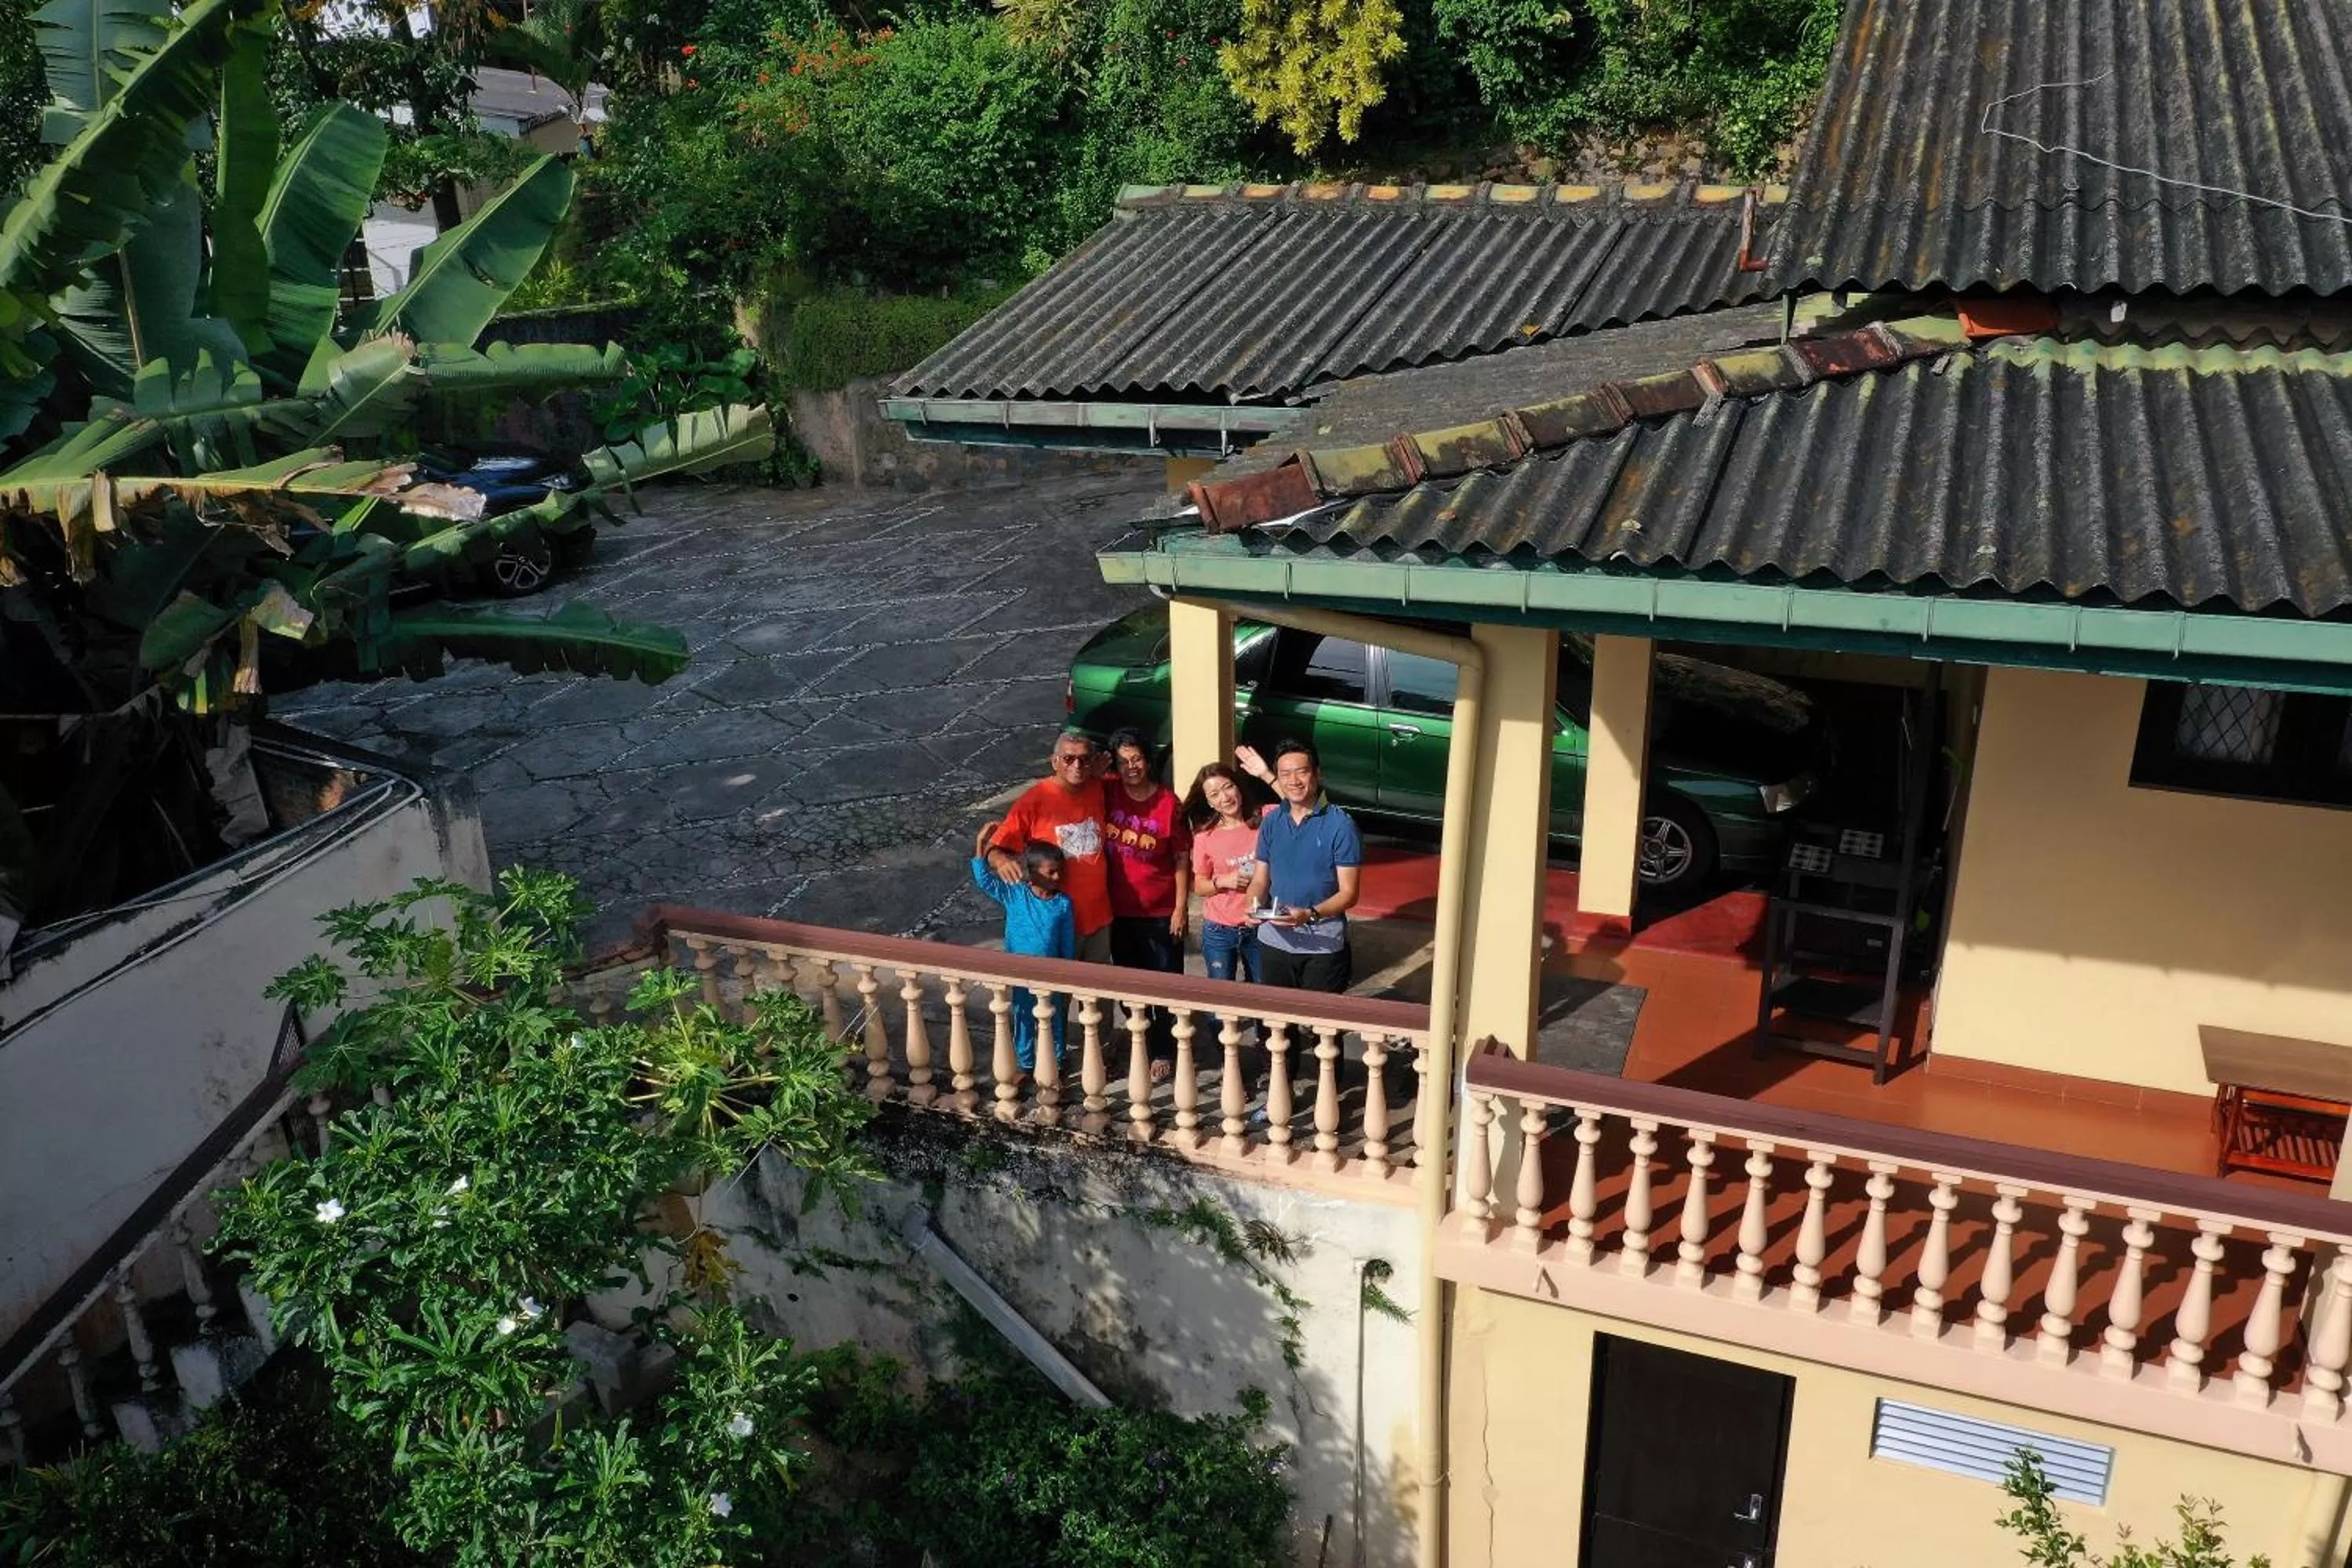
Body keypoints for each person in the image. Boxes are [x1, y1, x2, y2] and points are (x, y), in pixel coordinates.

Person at [1102, 728, 1192, 1080]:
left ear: (1148, 760)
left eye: (1137, 758)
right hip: (1118, 911)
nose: (1131, 767)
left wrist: (1181, 908)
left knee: (1166, 984)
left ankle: (1164, 1048)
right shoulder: (1108, 790)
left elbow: (1181, 858)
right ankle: (1141, 1036)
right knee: (1128, 984)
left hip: (1160, 912)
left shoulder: (1169, 803)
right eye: (1123, 761)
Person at [1242, 739, 1362, 993]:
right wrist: (1252, 905)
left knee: (1318, 1019)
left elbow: (1349, 893)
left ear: (1317, 774)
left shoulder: (1341, 825)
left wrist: (1310, 914)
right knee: (1276, 1017)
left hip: (1323, 947)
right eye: (1285, 774)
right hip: (1273, 943)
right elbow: (1260, 879)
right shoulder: (1272, 821)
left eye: (1302, 772)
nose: (1294, 781)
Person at [985, 731, 1112, 963]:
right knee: (1058, 985)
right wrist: (1001, 861)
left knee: (1099, 985)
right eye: (1068, 759)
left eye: (1084, 759)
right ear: (1054, 762)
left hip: (1099, 917)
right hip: (1055, 922)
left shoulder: (1096, 787)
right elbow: (994, 848)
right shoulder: (1034, 800)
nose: (1077, 765)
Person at [969, 826, 1074, 1077]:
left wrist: (1068, 972)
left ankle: (1057, 1062)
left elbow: (1067, 942)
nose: (1058, 876)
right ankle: (1025, 1064)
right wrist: (981, 842)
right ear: (1032, 873)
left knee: (1054, 1020)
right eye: (1051, 872)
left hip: (1051, 975)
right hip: (1020, 973)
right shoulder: (1015, 894)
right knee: (1023, 1017)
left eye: (1060, 871)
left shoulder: (1063, 903)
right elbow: (984, 880)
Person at [1185, 760, 1267, 985]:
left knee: (1263, 993)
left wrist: (1266, 775)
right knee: (1221, 996)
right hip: (1219, 929)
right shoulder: (1205, 836)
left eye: (1228, 787)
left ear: (1238, 786)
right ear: (1209, 802)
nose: (1225, 797)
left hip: (1260, 925)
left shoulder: (1265, 818)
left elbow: (1299, 806)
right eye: (1215, 794)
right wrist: (1223, 881)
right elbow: (1199, 886)